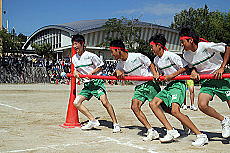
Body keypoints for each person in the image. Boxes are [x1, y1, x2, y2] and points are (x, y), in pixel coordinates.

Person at [148, 34, 208, 146]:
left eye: (152, 46)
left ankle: (200, 135)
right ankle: (171, 130)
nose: (151, 49)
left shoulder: (171, 55)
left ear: (159, 46)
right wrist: (157, 75)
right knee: (153, 104)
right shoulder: (156, 60)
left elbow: (186, 66)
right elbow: (161, 73)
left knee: (175, 111)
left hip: (178, 84)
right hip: (169, 86)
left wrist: (172, 75)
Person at [180, 27, 230, 138]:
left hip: (221, 78)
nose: (182, 45)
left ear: (190, 40)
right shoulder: (186, 55)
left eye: (182, 42)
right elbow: (191, 67)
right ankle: (224, 120)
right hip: (207, 81)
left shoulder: (205, 46)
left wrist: (222, 67)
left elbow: (227, 47)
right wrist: (193, 71)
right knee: (202, 105)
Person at [109, 40, 161, 141]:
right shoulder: (120, 63)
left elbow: (150, 63)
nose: (112, 54)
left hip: (149, 84)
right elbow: (117, 71)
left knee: (164, 108)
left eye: (112, 51)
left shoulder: (137, 56)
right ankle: (151, 130)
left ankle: (182, 122)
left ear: (119, 50)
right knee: (134, 107)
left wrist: (155, 73)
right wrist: (117, 72)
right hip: (139, 87)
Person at [71, 34, 120, 132]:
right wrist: (75, 72)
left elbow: (101, 65)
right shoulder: (74, 58)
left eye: (76, 44)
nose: (74, 46)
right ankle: (92, 120)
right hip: (87, 85)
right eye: (73, 44)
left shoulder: (91, 55)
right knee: (76, 102)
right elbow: (75, 70)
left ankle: (115, 124)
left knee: (105, 102)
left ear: (82, 44)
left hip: (96, 82)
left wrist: (92, 73)